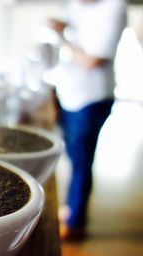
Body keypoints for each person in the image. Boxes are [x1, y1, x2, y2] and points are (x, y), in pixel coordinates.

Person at [49, 0, 127, 240]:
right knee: (72, 156)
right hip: (69, 92)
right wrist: (58, 24)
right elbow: (69, 18)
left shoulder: (114, 7)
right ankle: (71, 209)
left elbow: (91, 61)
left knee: (82, 160)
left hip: (93, 97)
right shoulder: (76, 3)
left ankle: (75, 222)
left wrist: (62, 37)